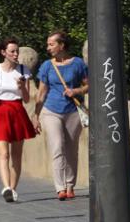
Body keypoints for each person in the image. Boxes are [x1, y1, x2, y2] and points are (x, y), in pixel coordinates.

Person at [32, 31, 88, 201]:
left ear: (62, 45)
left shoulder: (78, 63)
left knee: (71, 149)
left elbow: (89, 85)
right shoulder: (47, 66)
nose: (48, 48)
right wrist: (36, 115)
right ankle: (60, 187)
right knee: (57, 146)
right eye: (48, 44)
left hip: (72, 111)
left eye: (51, 44)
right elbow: (41, 93)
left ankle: (70, 185)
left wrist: (76, 91)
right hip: (51, 110)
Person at [0, 38, 37, 203]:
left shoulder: (23, 70)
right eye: (12, 51)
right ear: (3, 53)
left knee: (16, 155)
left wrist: (21, 87)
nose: (16, 54)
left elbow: (27, 99)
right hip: (0, 111)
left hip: (17, 111)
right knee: (4, 153)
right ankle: (6, 187)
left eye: (17, 51)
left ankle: (13, 190)